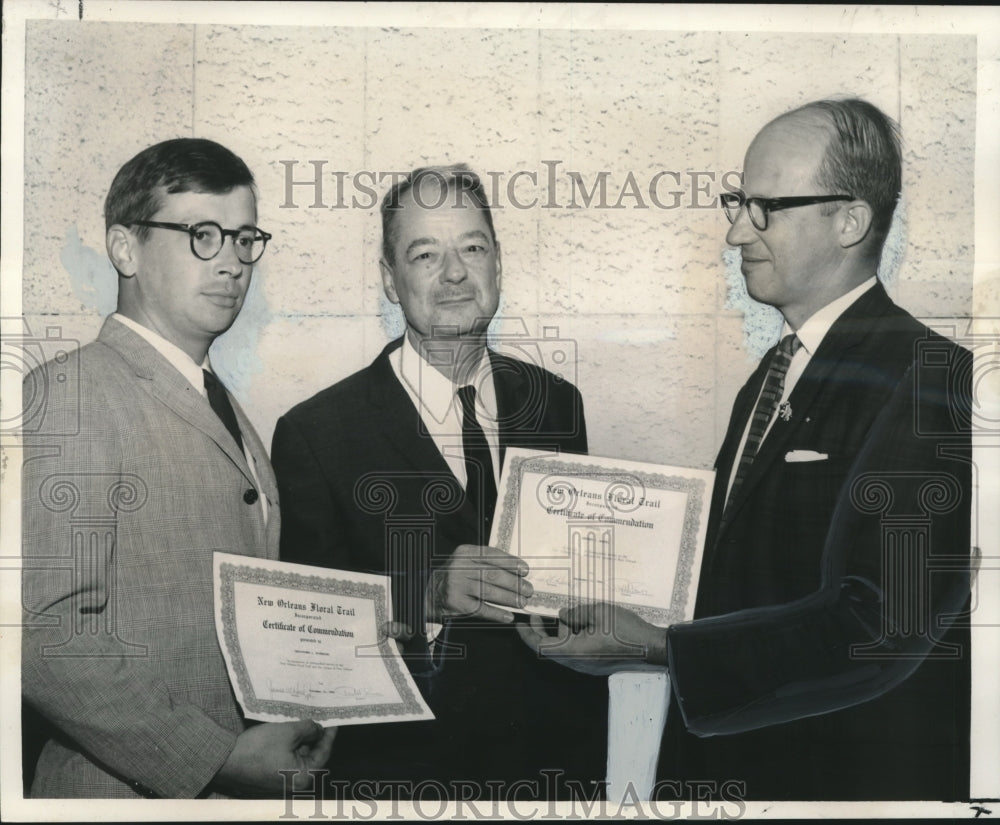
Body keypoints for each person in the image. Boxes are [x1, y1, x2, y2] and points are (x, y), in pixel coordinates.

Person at [519, 98, 973, 801]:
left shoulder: (932, 379)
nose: (736, 232)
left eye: (765, 208)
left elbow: (880, 625)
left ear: (850, 220)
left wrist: (651, 644)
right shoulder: (770, 377)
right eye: (738, 202)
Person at [271, 165, 608, 797]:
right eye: (426, 254)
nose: (455, 274)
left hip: (557, 769)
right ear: (389, 279)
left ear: (498, 265)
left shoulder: (558, 404)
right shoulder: (317, 433)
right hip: (402, 780)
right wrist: (423, 594)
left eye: (473, 248)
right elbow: (304, 636)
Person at [21, 138, 336, 798]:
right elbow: (44, 634)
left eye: (245, 238)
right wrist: (215, 756)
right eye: (202, 235)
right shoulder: (70, 391)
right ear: (125, 248)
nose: (231, 262)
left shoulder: (226, 406)